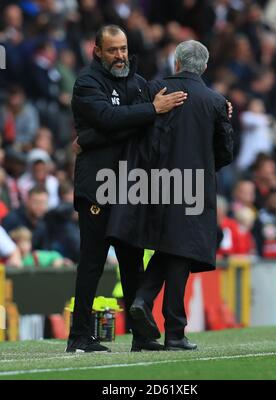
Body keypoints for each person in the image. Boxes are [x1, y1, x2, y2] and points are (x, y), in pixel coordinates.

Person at [66, 24, 188, 353]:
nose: (120, 56)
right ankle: (79, 336)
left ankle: (143, 337)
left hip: (130, 188)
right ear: (97, 51)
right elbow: (107, 118)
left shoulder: (138, 83)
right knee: (92, 263)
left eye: (123, 49)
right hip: (96, 187)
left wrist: (219, 106)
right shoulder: (87, 83)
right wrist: (147, 113)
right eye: (112, 50)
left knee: (132, 263)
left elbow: (162, 105)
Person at [106, 40, 234, 350]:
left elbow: (132, 126)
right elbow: (226, 152)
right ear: (203, 67)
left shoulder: (153, 89)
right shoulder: (215, 101)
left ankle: (142, 300)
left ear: (176, 62)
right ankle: (174, 331)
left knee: (170, 247)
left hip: (152, 183)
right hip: (193, 186)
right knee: (181, 252)